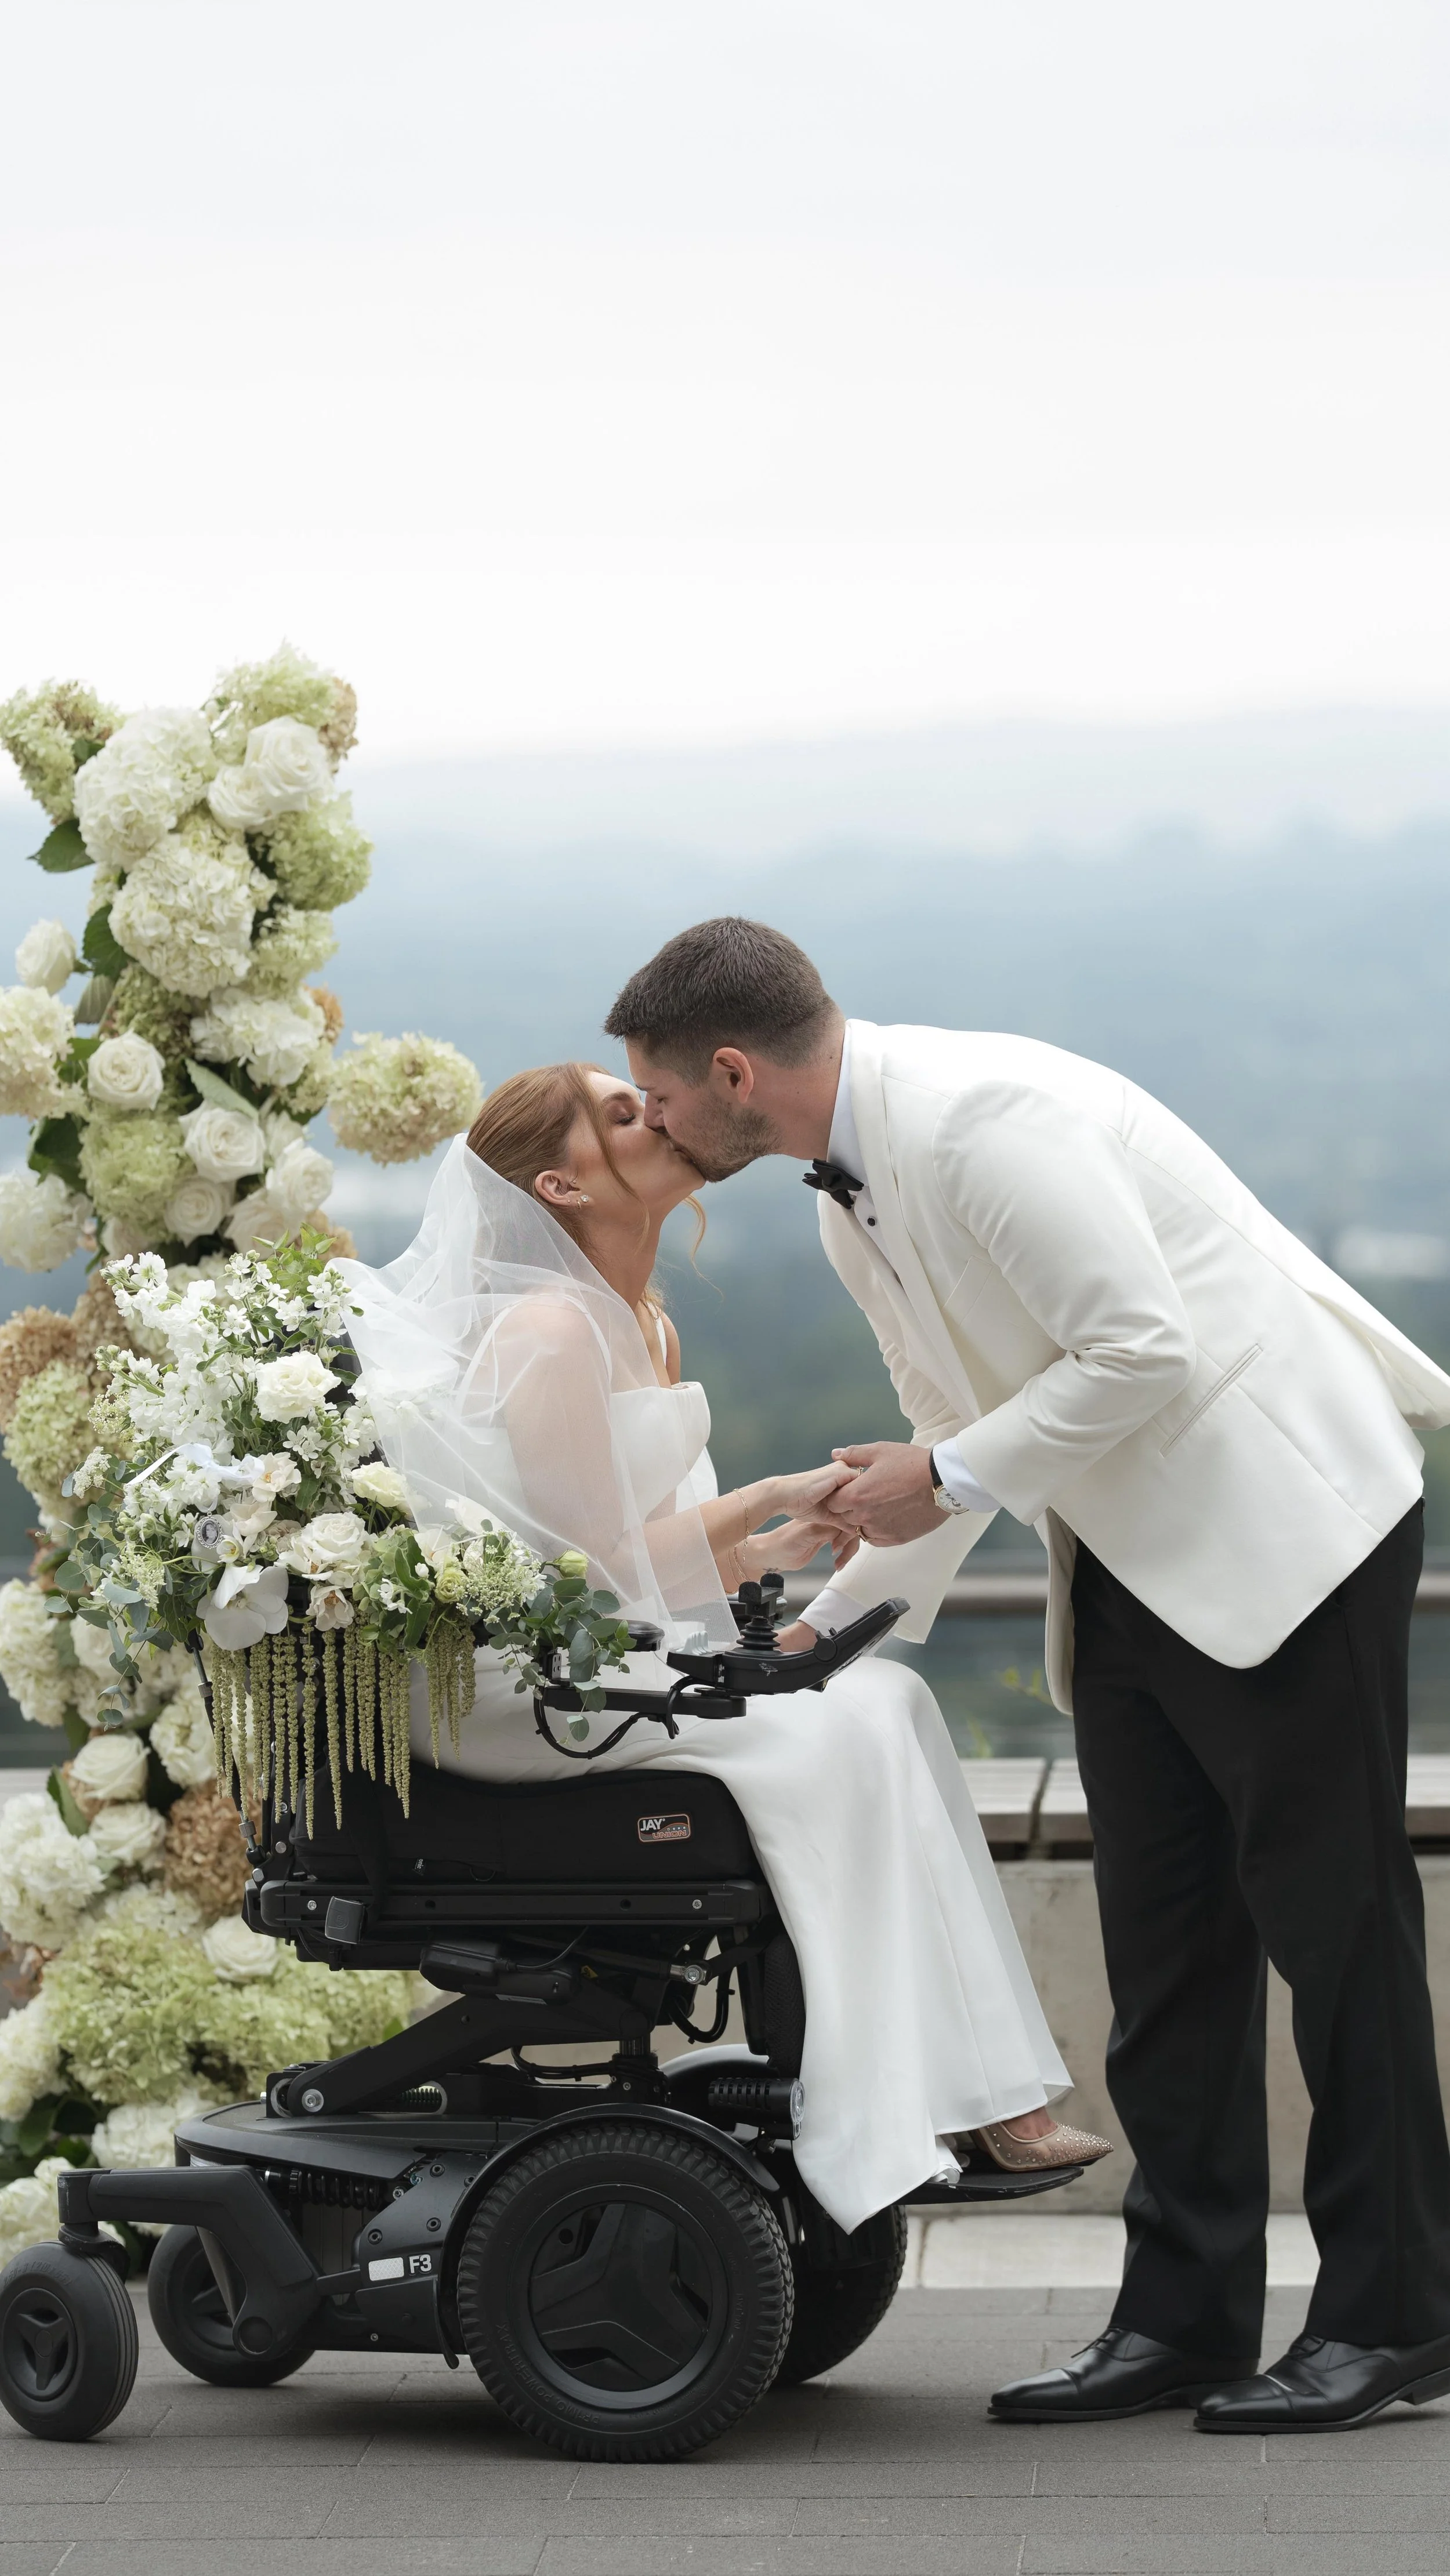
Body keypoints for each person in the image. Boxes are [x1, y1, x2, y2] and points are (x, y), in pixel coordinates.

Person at [604, 916, 1450, 2434]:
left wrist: (937, 1473)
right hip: (1125, 1557)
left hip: (1290, 1532)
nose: (652, 1127)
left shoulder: (982, 1120)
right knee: (1164, 1951)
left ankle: (1394, 2320)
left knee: (1337, 1940)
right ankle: (1181, 2321)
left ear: (731, 1072)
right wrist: (822, 1633)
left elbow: (1140, 1351)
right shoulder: (842, 1205)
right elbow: (947, 1445)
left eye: (657, 1098)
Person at [340, 1061, 1107, 2242]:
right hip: (522, 1688)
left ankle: (976, 2097)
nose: (651, 1113)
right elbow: (590, 1573)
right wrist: (768, 1496)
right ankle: (896, 2111)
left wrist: (776, 1546)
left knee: (890, 1703)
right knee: (839, 1733)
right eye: (617, 1112)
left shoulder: (640, 1318)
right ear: (557, 1184)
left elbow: (628, 1560)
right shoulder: (549, 1328)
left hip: (591, 1649)